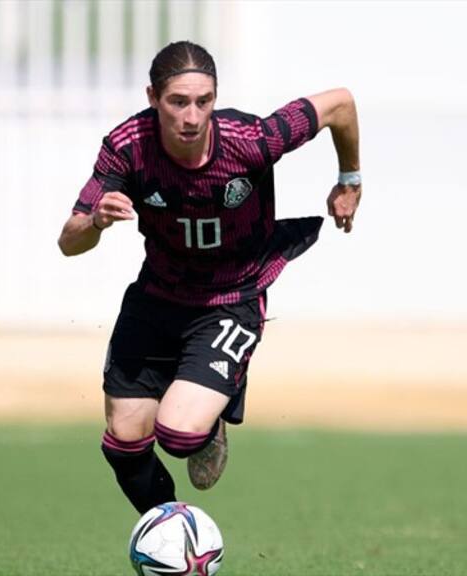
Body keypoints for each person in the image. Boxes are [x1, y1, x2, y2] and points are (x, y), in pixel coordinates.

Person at [58, 41, 361, 515]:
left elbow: (340, 102)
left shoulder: (252, 140)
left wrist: (350, 178)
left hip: (230, 296)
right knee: (123, 443)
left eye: (204, 101)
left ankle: (212, 420)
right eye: (178, 101)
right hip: (158, 296)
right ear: (153, 97)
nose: (192, 116)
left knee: (178, 435)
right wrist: (95, 220)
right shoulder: (127, 147)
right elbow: (68, 241)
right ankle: (173, 534)